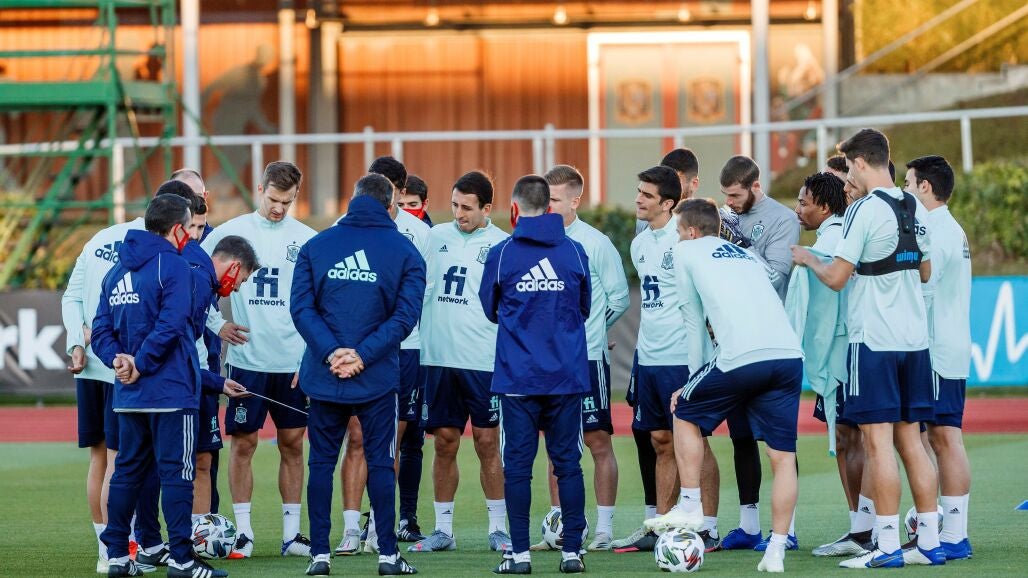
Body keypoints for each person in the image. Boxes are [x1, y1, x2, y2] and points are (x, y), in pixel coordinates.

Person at [791, 128, 941, 568]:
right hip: (915, 341)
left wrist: (809, 258)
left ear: (858, 162)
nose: (847, 181)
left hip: (873, 340)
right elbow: (926, 272)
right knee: (912, 442)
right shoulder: (914, 205)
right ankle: (929, 544)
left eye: (849, 170)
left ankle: (888, 546)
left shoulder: (863, 209)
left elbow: (837, 278)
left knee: (878, 444)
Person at [644, 198, 805, 574]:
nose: (677, 239)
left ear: (691, 232)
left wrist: (690, 382)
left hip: (742, 356)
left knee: (683, 410)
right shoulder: (745, 254)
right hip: (788, 355)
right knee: (783, 459)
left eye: (678, 232)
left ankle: (690, 505)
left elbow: (692, 319)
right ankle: (776, 552)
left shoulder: (685, 252)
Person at [290, 173, 424, 576]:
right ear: (391, 206)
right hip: (377, 377)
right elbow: (405, 318)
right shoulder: (406, 251)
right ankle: (388, 556)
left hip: (325, 375)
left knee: (320, 464)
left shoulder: (316, 245)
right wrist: (362, 355)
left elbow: (301, 309)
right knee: (381, 464)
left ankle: (319, 555)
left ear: (353, 199)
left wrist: (332, 352)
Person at [91, 195, 223, 578]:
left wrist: (119, 360)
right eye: (190, 227)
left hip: (129, 394)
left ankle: (118, 558)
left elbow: (99, 330)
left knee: (127, 473)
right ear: (177, 228)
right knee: (177, 474)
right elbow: (173, 324)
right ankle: (182, 560)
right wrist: (141, 363)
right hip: (171, 391)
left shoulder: (116, 271)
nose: (192, 236)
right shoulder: (176, 265)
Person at [201, 161, 317, 558]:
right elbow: (197, 281)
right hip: (247, 361)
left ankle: (291, 535)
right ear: (259, 189)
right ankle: (244, 533)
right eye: (274, 199)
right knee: (244, 444)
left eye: (288, 202)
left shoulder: (307, 239)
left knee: (293, 444)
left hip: (293, 361)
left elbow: (319, 302)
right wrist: (217, 324)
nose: (279, 208)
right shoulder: (229, 232)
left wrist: (311, 355)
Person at [479, 175, 591, 575]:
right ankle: (572, 552)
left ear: (514, 208)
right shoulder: (575, 251)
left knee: (518, 467)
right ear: (548, 206)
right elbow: (584, 307)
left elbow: (490, 309)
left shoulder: (502, 253)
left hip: (518, 378)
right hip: (565, 376)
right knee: (568, 465)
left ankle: (520, 555)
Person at [526, 165, 629, 552]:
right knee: (556, 445)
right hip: (546, 362)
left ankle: (603, 528)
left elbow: (619, 297)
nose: (546, 206)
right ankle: (561, 527)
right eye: (543, 199)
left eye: (553, 199)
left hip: (585, 359)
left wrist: (594, 331)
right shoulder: (534, 243)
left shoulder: (595, 243)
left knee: (596, 440)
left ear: (575, 201)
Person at [410, 171, 511, 553]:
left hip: (484, 362)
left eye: (467, 207)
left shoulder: (503, 245)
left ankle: (498, 528)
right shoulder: (434, 237)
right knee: (444, 443)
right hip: (438, 359)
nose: (459, 213)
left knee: (487, 443)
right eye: (454, 205)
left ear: (487, 208)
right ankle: (443, 530)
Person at [335, 156, 431, 555]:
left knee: (390, 441)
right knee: (356, 437)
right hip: (354, 349)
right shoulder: (343, 228)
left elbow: (420, 299)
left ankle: (378, 525)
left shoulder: (418, 234)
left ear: (399, 193)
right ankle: (349, 529)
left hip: (404, 349)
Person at [717, 155, 801, 551]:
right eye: (725, 196)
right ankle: (748, 525)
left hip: (770, 342)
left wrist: (738, 243)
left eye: (735, 195)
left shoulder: (783, 219)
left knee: (778, 442)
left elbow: (775, 278)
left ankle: (789, 530)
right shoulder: (723, 217)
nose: (729, 203)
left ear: (755, 186)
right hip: (734, 340)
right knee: (740, 436)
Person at [789, 173, 876, 557]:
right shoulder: (836, 236)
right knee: (854, 439)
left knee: (853, 439)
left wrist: (808, 259)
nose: (798, 209)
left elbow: (832, 295)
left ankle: (865, 529)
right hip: (846, 353)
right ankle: (864, 526)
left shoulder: (832, 241)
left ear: (824, 207)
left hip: (844, 357)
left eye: (803, 202)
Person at [904, 155, 973, 561]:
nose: (905, 190)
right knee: (940, 436)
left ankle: (953, 534)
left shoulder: (935, 229)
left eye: (908, 183)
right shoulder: (951, 227)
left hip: (935, 348)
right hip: (948, 343)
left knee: (944, 437)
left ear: (925, 187)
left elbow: (924, 287)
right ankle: (948, 529)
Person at [627, 165, 686, 547]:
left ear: (667, 203)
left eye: (647, 195)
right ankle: (662, 525)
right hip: (649, 358)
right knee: (660, 440)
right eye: (639, 191)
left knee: (690, 443)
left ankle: (701, 523)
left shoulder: (684, 239)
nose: (638, 199)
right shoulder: (639, 244)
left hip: (681, 358)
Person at [169, 169, 227, 526]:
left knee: (205, 456)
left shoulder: (212, 245)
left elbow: (207, 309)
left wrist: (220, 327)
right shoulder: (158, 255)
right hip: (170, 373)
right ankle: (152, 539)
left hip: (204, 365)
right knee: (164, 461)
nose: (195, 233)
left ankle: (204, 533)